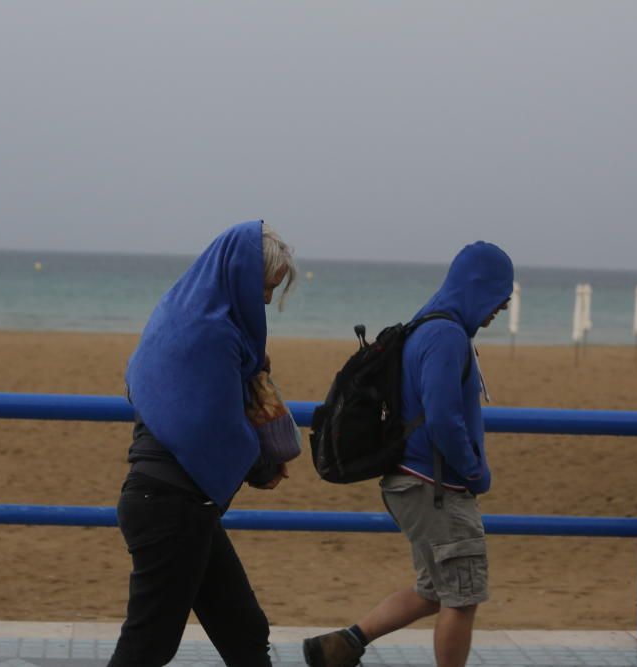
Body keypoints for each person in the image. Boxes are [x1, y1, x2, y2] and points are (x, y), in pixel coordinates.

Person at [303, 242, 513, 667]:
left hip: (413, 481)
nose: (501, 309)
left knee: (433, 591)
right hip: (436, 486)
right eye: (499, 298)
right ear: (478, 288)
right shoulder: (446, 335)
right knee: (462, 597)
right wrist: (475, 472)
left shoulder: (427, 326)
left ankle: (343, 644)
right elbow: (441, 419)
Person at [108, 221, 297, 667]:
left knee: (244, 629)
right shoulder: (211, 336)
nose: (267, 300)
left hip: (176, 503)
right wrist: (262, 461)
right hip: (172, 505)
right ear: (240, 280)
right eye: (264, 289)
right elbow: (215, 429)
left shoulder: (181, 316)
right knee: (148, 645)